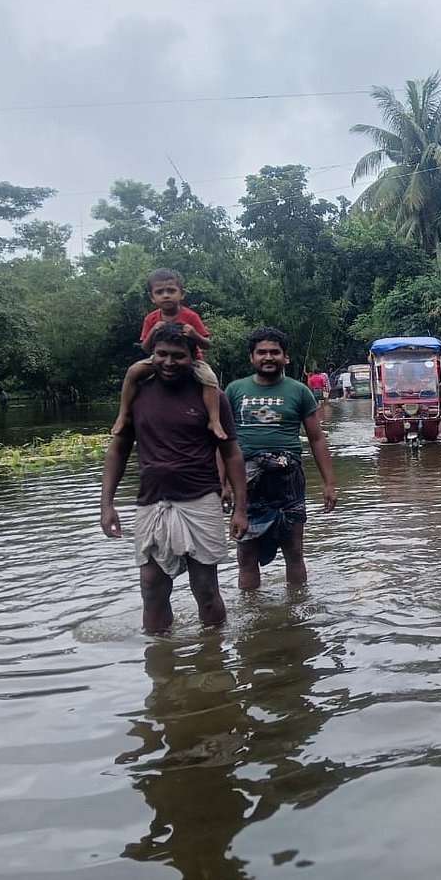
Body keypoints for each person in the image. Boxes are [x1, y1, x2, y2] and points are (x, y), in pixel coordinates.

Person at [100, 321, 248, 634]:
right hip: (152, 501)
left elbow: (232, 453)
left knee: (205, 589)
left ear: (192, 358)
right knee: (151, 588)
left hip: (201, 499)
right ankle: (160, 669)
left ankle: (214, 656)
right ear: (151, 355)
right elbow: (118, 450)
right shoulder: (138, 394)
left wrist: (240, 507)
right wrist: (107, 504)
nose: (169, 362)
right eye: (162, 354)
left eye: (178, 356)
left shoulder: (212, 396)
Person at [226, 327, 338, 590]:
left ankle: (298, 612)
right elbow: (224, 443)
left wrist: (329, 483)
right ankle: (252, 616)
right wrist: (222, 485)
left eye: (274, 352)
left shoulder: (298, 391)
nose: (268, 357)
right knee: (246, 555)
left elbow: (317, 439)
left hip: (289, 477)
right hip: (247, 480)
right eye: (261, 352)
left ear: (285, 357)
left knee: (295, 552)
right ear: (251, 357)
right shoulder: (234, 390)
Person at [111, 268, 226, 440]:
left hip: (192, 360)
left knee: (210, 379)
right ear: (152, 297)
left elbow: (207, 344)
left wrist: (194, 334)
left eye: (171, 291)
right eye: (160, 292)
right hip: (159, 359)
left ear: (182, 294)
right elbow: (146, 348)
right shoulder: (151, 319)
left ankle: (214, 420)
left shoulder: (190, 316)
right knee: (133, 371)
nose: (166, 295)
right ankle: (123, 414)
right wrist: (153, 332)